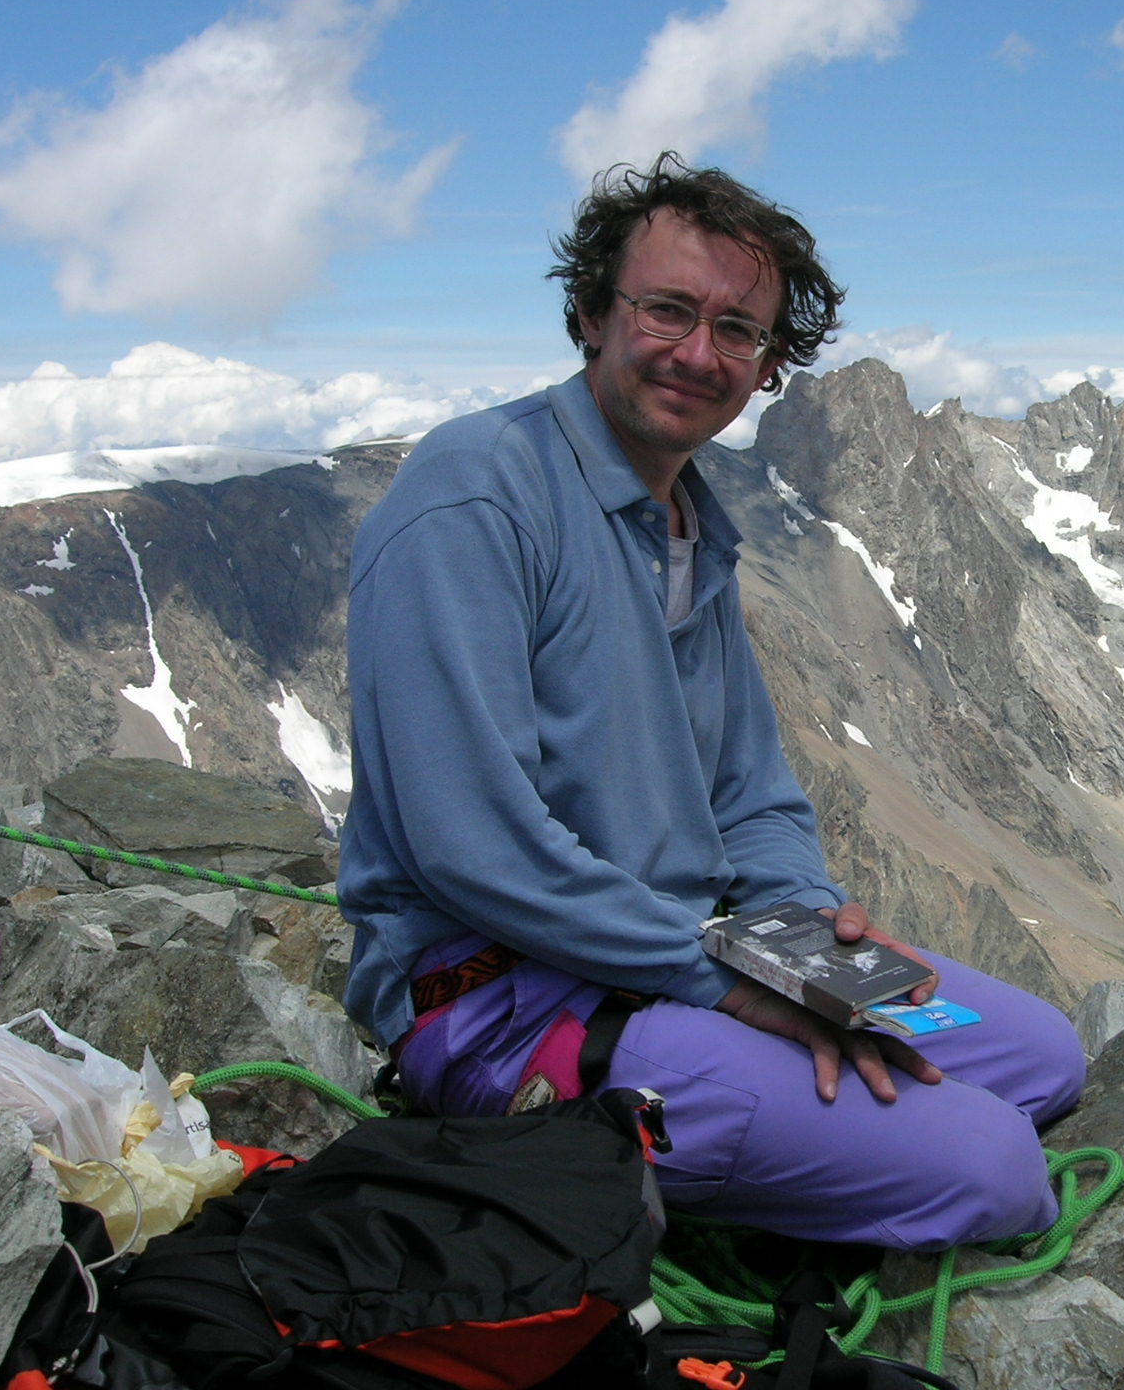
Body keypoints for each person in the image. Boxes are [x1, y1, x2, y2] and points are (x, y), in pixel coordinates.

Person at [336, 153, 1085, 1251]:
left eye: (737, 330)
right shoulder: (476, 493)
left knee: (1041, 1060)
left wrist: (807, 957)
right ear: (591, 313)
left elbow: (752, 794)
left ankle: (781, 1137)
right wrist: (730, 988)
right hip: (505, 1002)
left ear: (767, 362)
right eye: (667, 310)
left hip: (693, 955)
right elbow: (473, 848)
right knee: (994, 1166)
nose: (699, 353)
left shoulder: (688, 521)